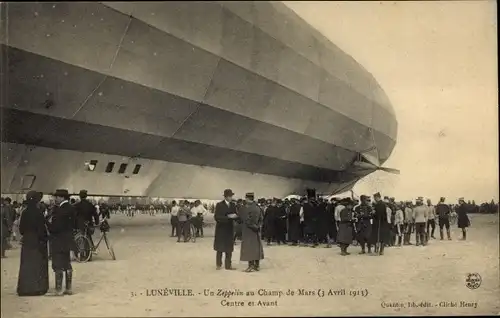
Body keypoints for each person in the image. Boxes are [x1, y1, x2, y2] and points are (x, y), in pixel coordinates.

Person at [17, 191, 49, 296]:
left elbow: (21, 229)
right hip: (37, 240)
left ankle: (25, 288)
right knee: (37, 263)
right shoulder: (39, 213)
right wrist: (44, 238)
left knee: (26, 264)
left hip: (27, 240)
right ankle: (37, 288)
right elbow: (41, 229)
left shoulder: (25, 212)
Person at [47, 189, 76, 296]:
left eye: (57, 197)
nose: (55, 199)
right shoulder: (72, 208)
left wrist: (47, 223)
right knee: (67, 263)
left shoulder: (59, 210)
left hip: (58, 239)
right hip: (68, 239)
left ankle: (58, 289)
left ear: (62, 197)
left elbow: (55, 227)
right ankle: (68, 288)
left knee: (58, 264)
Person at [239, 193, 264, 272]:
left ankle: (250, 266)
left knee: (249, 247)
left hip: (249, 230)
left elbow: (246, 220)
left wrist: (253, 226)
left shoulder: (247, 208)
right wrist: (258, 227)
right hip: (256, 231)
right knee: (256, 247)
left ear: (247, 199)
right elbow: (261, 219)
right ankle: (257, 265)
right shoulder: (258, 207)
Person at [213, 189, 238, 270]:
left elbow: (235, 215)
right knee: (220, 248)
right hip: (221, 229)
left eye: (231, 196)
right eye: (230, 196)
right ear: (226, 197)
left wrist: (236, 217)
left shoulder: (233, 205)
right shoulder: (219, 205)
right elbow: (217, 217)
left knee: (229, 248)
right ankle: (218, 264)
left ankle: (228, 265)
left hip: (229, 229)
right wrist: (228, 217)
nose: (231, 198)